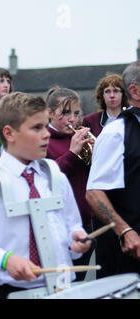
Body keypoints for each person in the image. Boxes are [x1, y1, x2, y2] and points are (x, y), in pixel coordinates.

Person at [0, 92, 91, 299]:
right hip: (14, 293)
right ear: (9, 133)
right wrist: (4, 259)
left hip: (64, 289)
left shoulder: (55, 176)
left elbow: (72, 227)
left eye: (45, 126)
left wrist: (77, 242)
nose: (46, 134)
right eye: (36, 127)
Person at [86, 61, 140, 278]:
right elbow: (94, 193)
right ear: (135, 91)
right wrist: (125, 231)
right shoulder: (115, 133)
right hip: (128, 253)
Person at [45, 86, 95, 281]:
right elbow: (49, 178)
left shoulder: (80, 139)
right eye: (65, 113)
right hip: (60, 227)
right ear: (49, 114)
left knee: (79, 284)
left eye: (75, 113)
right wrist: (72, 153)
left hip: (87, 223)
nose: (72, 119)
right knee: (64, 285)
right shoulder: (44, 140)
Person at [82, 73, 129, 137]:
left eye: (116, 91)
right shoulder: (89, 121)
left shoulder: (132, 118)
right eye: (107, 91)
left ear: (123, 94)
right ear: (102, 95)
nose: (112, 95)